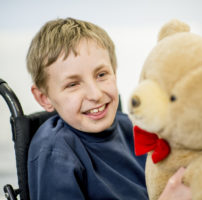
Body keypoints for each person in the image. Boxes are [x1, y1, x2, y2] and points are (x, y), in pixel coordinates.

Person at [26, 17, 192, 200]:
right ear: (44, 98)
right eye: (73, 84)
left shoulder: (132, 127)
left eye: (101, 74)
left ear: (115, 72)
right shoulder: (55, 153)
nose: (95, 94)